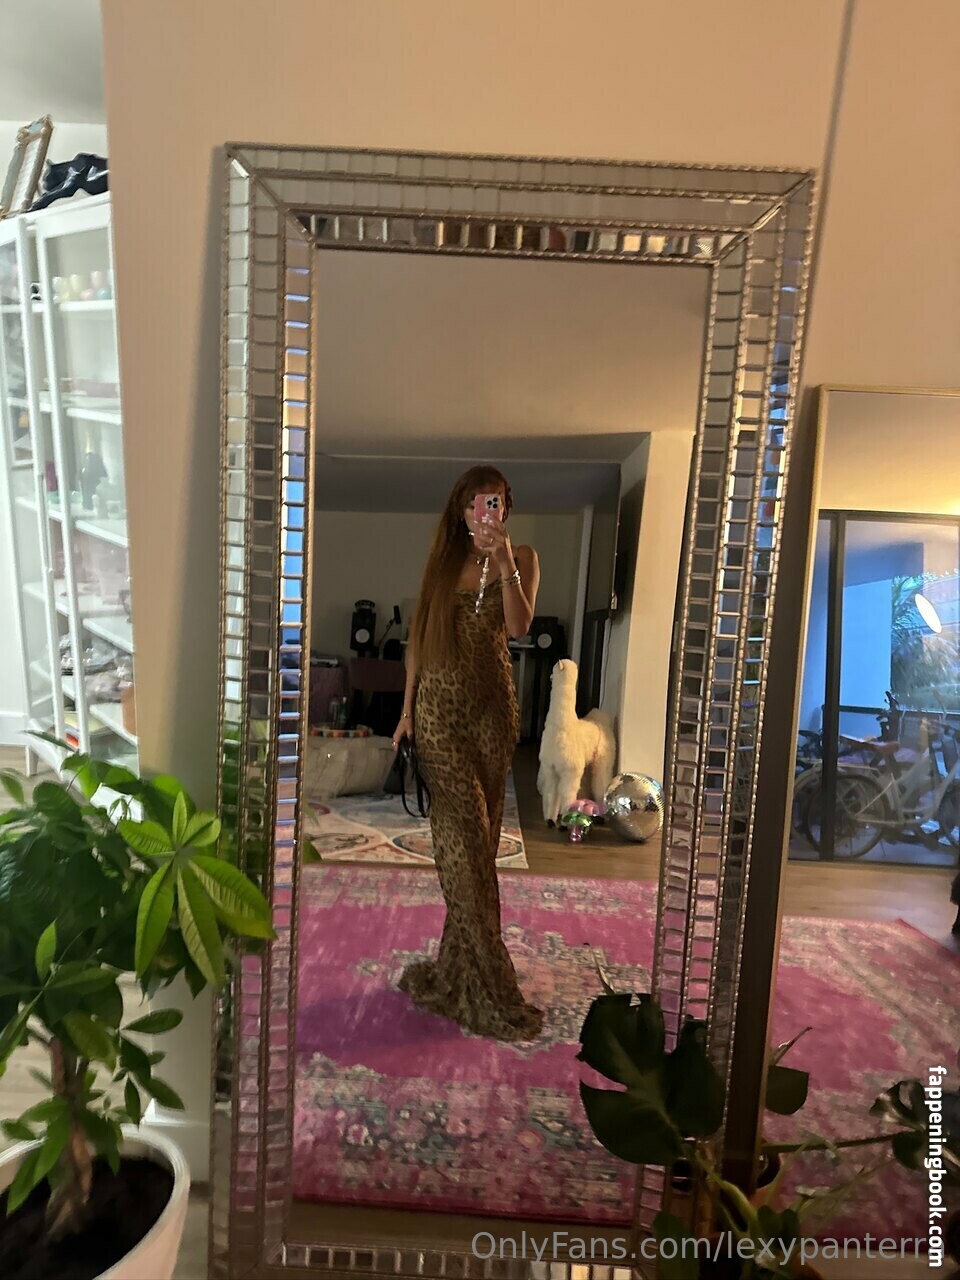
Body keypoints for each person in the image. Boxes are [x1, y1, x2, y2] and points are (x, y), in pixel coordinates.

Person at [393, 466, 544, 1041]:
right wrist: (406, 711)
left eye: (497, 502)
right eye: (479, 503)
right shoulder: (442, 565)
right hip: (439, 713)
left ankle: (459, 970)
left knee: (481, 843)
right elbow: (417, 643)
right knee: (460, 845)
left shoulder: (522, 557)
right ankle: (492, 979)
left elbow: (520, 626)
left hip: (492, 715)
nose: (488, 512)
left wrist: (504, 563)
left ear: (506, 509)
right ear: (461, 510)